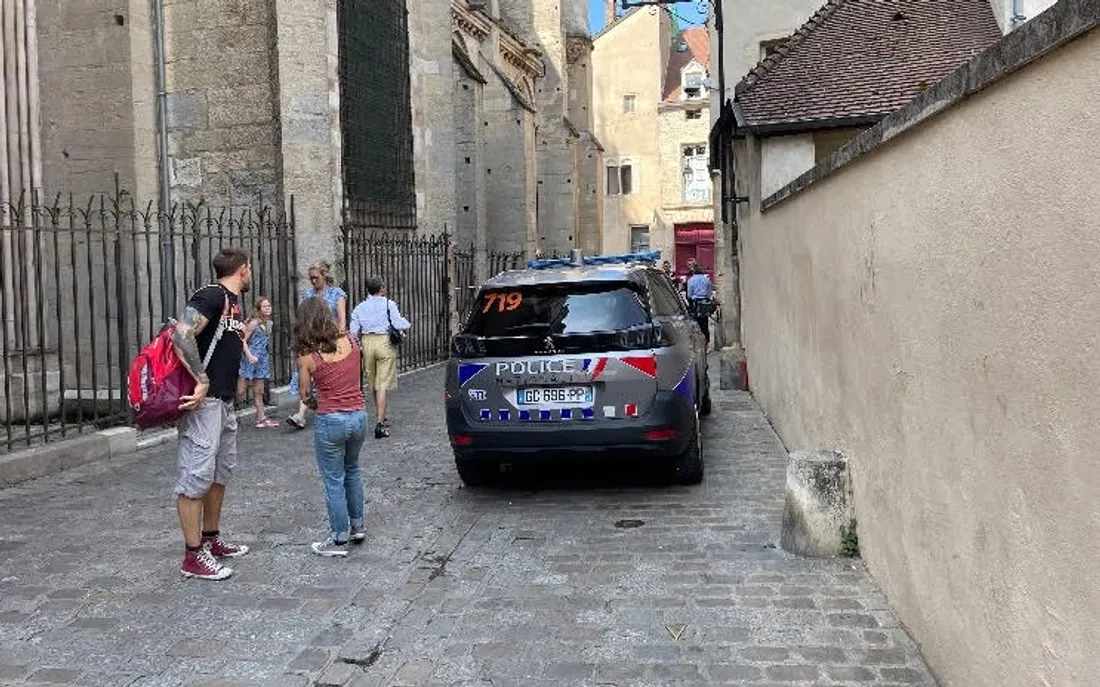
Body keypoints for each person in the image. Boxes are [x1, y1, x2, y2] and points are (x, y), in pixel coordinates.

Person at [171, 248, 252, 580]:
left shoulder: (231, 303)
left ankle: (211, 540)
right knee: (194, 478)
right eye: (249, 268)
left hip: (224, 402)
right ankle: (192, 557)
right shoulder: (212, 295)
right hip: (205, 405)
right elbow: (182, 334)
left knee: (219, 474)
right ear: (243, 270)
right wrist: (202, 379)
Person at [295, 298, 367, 557]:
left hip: (331, 419)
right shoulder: (351, 340)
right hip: (358, 415)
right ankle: (358, 526)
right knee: (353, 470)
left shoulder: (307, 356)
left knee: (333, 480)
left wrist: (317, 403)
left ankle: (338, 539)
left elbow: (305, 395)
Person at [286, 261, 347, 430]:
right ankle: (300, 414)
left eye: (316, 277)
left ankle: (331, 407)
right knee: (305, 374)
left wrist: (340, 339)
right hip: (312, 340)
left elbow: (341, 320)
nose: (313, 281)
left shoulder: (337, 294)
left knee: (329, 376)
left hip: (329, 340)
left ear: (324, 275)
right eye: (310, 278)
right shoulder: (308, 295)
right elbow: (304, 318)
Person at [348, 277, 411, 439]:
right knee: (382, 384)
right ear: (381, 288)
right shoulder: (389, 304)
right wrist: (407, 324)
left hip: (368, 342)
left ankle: (382, 415)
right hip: (384, 342)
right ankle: (379, 423)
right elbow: (398, 323)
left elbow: (353, 331)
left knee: (373, 382)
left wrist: (359, 346)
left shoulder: (360, 307)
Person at [237, 296, 279, 428]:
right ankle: (227, 415)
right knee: (241, 390)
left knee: (259, 391)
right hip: (250, 359)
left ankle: (261, 418)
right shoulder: (254, 323)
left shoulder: (269, 323)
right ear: (259, 309)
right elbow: (242, 340)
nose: (268, 308)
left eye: (269, 306)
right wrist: (249, 356)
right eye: (265, 306)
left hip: (261, 360)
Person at [685, 263, 716, 346]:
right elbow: (709, 293)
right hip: (705, 303)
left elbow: (689, 295)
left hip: (695, 304)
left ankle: (696, 343)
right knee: (705, 324)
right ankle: (706, 343)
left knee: (695, 324)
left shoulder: (691, 280)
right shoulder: (706, 280)